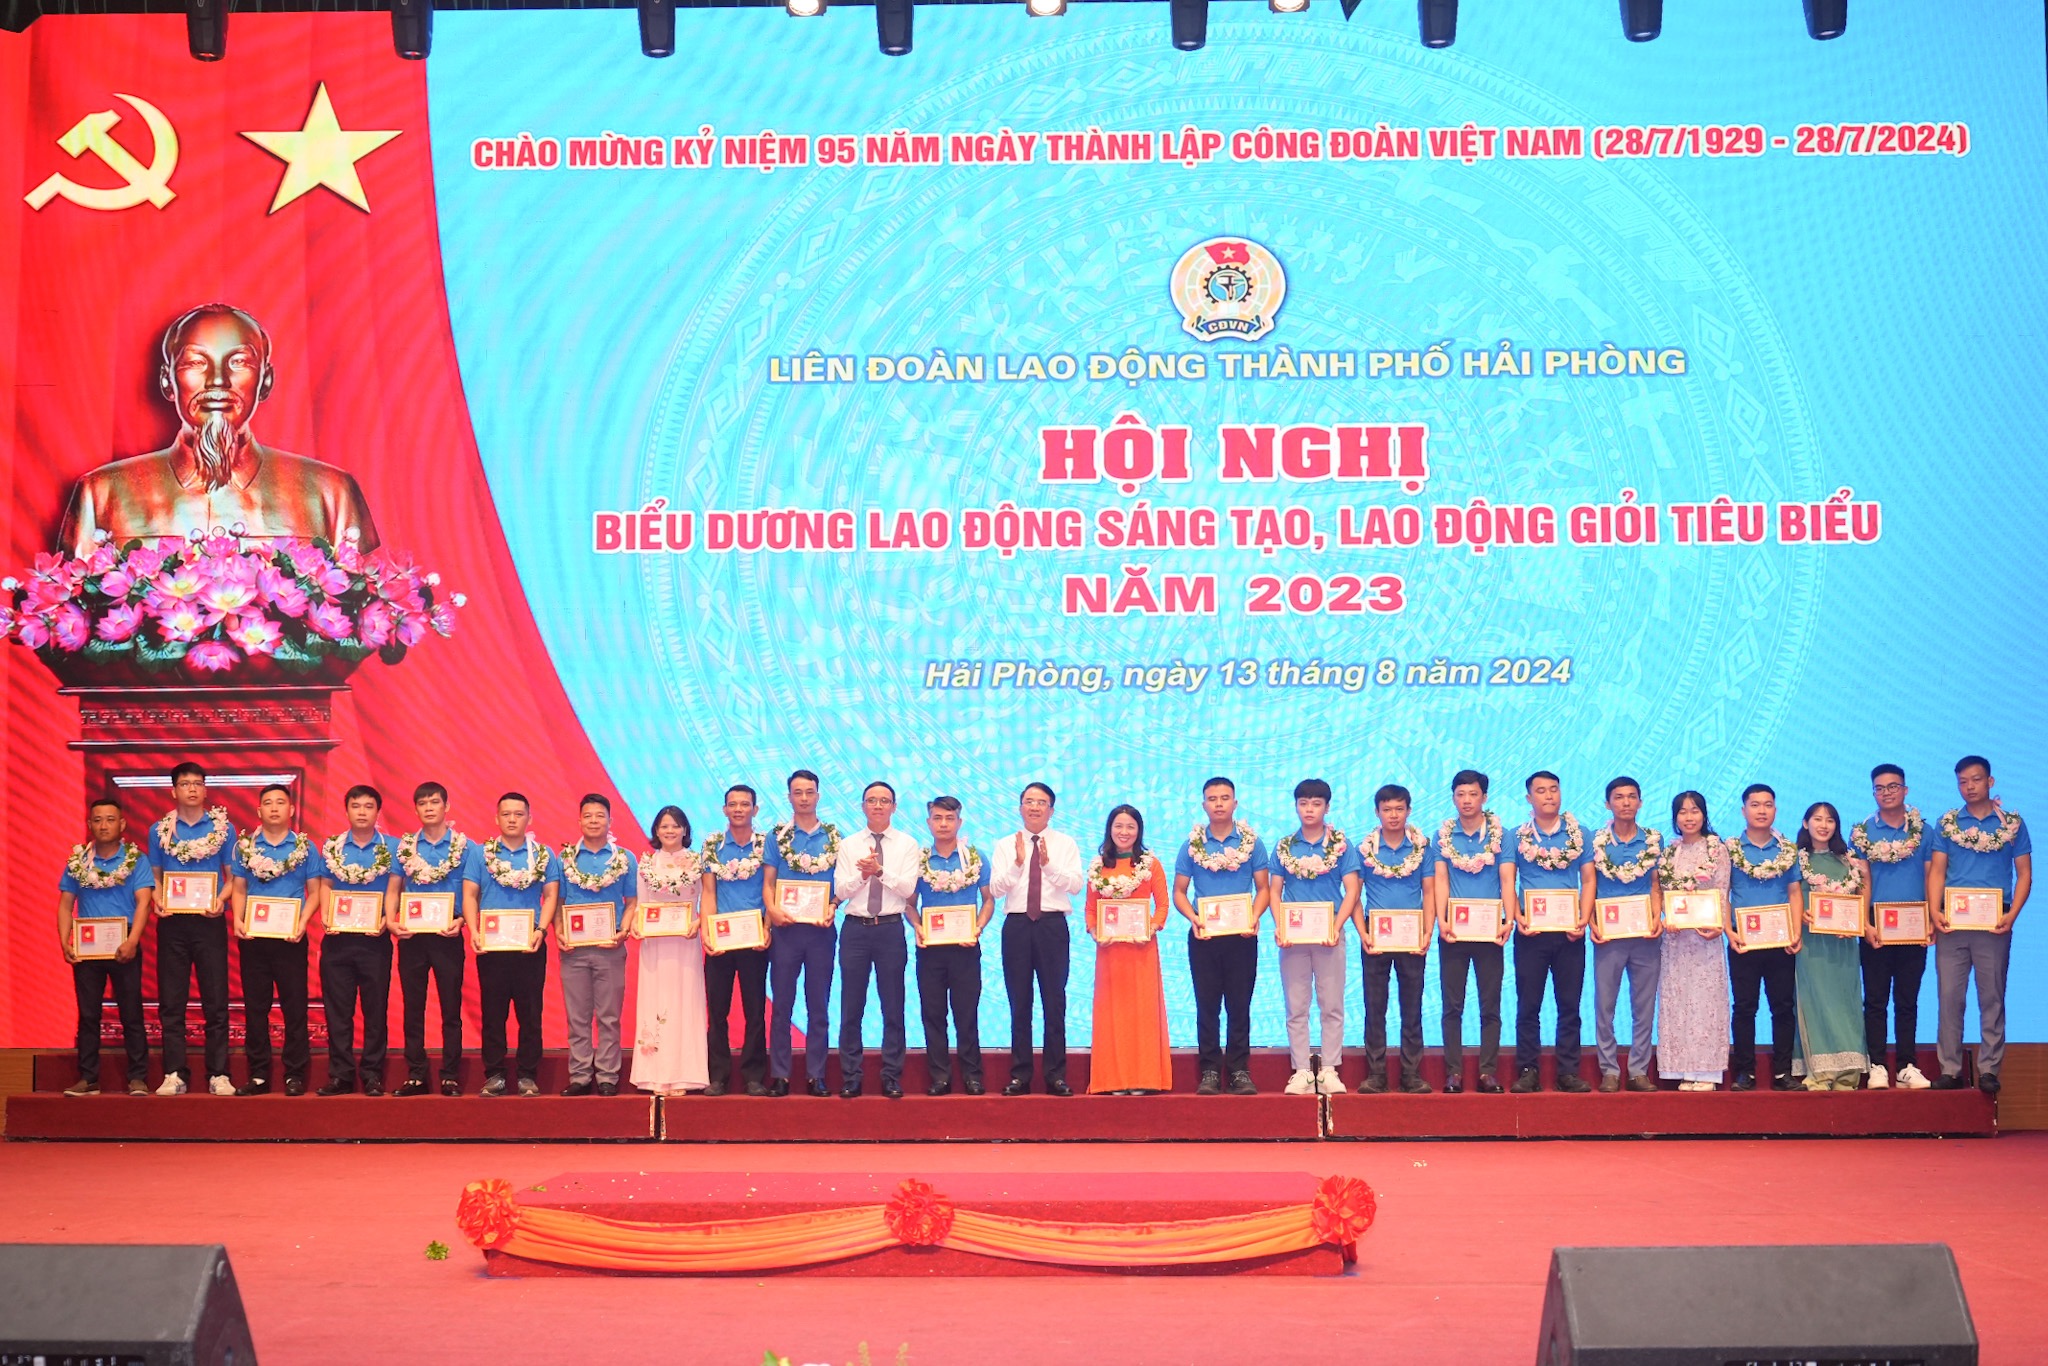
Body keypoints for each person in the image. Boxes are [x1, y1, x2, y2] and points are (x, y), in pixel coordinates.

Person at [58, 303, 377, 557]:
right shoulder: (101, 495)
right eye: (195, 363)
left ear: (266, 381)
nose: (218, 381)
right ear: (167, 381)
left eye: (239, 362)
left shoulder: (331, 495)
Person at [1926, 755, 2032, 1094]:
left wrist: (2013, 915)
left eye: (1975, 779)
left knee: (1992, 997)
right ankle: (1951, 1070)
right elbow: (1937, 870)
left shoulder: (2012, 824)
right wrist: (1934, 910)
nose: (1969, 787)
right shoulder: (1947, 823)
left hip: (1995, 922)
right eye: (1963, 782)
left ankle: (1988, 1070)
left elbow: (2024, 874)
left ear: (1990, 781)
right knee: (1949, 998)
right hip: (1952, 922)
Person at [1172, 777, 1268, 1096]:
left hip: (1242, 936)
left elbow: (1263, 888)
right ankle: (1210, 1071)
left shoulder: (1252, 843)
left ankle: (1239, 1070)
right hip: (1204, 936)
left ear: (1235, 803)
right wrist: (1194, 918)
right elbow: (1179, 891)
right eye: (1212, 799)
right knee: (1207, 1005)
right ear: (1204, 805)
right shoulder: (1192, 845)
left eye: (1225, 798)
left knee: (1240, 1005)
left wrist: (1254, 917)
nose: (1218, 804)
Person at [228, 783, 326, 1097]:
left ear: (291, 809)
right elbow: (239, 888)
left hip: (290, 938)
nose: (274, 808)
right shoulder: (245, 847)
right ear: (259, 810)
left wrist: (302, 922)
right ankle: (258, 1075)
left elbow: (315, 891)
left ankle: (294, 1074)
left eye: (280, 802)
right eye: (268, 803)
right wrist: (238, 919)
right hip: (254, 937)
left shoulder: (306, 848)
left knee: (294, 1008)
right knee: (255, 1008)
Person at [989, 782, 1084, 1096]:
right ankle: (1020, 1075)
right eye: (1029, 801)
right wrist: (1018, 864)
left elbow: (1075, 885)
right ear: (1020, 808)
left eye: (1041, 802)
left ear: (1051, 810)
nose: (1034, 807)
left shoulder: (1065, 844)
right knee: (1020, 1002)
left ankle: (1056, 1075)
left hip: (1052, 926)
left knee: (1054, 1001)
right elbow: (996, 889)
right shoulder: (1005, 845)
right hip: (1017, 926)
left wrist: (1048, 864)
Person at [148, 762, 236, 1096]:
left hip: (210, 921)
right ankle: (174, 1073)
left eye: (198, 783)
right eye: (185, 784)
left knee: (216, 1000)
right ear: (174, 791)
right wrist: (158, 899)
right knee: (172, 1001)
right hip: (173, 923)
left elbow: (233, 878)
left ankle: (219, 1074)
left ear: (205, 789)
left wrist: (221, 900)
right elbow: (155, 876)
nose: (192, 789)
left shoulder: (223, 829)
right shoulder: (160, 830)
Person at [57, 798, 155, 1096]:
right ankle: (88, 1078)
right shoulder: (78, 862)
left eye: (110, 819)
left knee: (131, 1013)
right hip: (87, 947)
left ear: (122, 824)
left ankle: (138, 1077)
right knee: (88, 1015)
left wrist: (133, 940)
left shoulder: (136, 859)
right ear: (90, 825)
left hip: (124, 942)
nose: (104, 825)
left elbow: (144, 902)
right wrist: (64, 941)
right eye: (98, 820)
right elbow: (65, 905)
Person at [1269, 778, 1360, 1097]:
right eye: (1303, 803)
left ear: (1327, 807)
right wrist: (1281, 925)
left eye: (1316, 803)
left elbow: (1352, 889)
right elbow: (1274, 891)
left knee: (1331, 1004)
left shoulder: (1341, 845)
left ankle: (1330, 1069)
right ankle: (1301, 1071)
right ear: (1296, 806)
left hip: (1330, 936)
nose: (1309, 809)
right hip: (1293, 938)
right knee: (1296, 1006)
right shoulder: (1284, 846)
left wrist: (1337, 925)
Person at [465, 793, 558, 1097]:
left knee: (530, 1014)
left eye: (519, 814)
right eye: (506, 814)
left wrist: (541, 930)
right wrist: (474, 930)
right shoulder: (480, 854)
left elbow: (551, 896)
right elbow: (470, 894)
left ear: (529, 818)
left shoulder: (543, 854)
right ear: (497, 818)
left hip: (529, 944)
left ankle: (528, 1075)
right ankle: (494, 1074)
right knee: (493, 1013)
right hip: (492, 948)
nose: (512, 819)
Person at [832, 781, 920, 1099]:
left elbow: (908, 889)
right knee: (851, 1005)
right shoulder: (849, 845)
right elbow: (841, 890)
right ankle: (851, 1076)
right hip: (855, 929)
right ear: (863, 806)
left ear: (894, 807)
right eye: (872, 800)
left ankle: (891, 1075)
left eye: (884, 801)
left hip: (890, 929)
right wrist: (863, 874)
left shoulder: (908, 844)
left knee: (893, 1005)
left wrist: (880, 871)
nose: (878, 806)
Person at [1508, 771, 1592, 1093]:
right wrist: (1517, 915)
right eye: (1541, 791)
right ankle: (1528, 1070)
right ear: (1529, 798)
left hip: (1570, 933)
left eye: (1553, 789)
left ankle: (1568, 1072)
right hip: (1531, 933)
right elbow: (1508, 880)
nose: (1548, 796)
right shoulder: (1516, 837)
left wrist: (1583, 918)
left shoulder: (1580, 834)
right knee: (1528, 1005)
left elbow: (1589, 879)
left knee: (1569, 1005)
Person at [1433, 770, 1514, 1093]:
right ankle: (1453, 1072)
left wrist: (1509, 918)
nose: (1467, 800)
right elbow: (1441, 880)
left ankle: (1487, 1072)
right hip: (1453, 931)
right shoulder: (1443, 836)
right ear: (1454, 798)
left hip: (1490, 931)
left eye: (1473, 794)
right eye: (1461, 794)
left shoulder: (1501, 835)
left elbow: (1507, 879)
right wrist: (1441, 919)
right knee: (1452, 1005)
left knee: (1490, 1005)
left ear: (1484, 797)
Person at [1852, 765, 1932, 1089]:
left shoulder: (1924, 832)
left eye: (1893, 786)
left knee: (1907, 1000)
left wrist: (1931, 919)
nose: (1886, 792)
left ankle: (1907, 1065)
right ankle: (1877, 1065)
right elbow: (1862, 881)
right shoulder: (1862, 833)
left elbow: (1931, 876)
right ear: (1874, 792)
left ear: (1905, 790)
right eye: (1880, 788)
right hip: (1877, 925)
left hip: (1914, 923)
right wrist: (1864, 922)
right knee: (1875, 1000)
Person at [1084, 805, 1172, 1094]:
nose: (1124, 832)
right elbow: (1090, 910)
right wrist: (1095, 932)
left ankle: (1143, 1078)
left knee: (1142, 1014)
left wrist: (1152, 927)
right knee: (1114, 1016)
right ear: (1110, 829)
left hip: (1141, 950)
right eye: (1119, 826)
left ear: (1139, 831)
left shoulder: (1150, 864)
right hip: (1110, 953)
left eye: (1130, 826)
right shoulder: (1098, 866)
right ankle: (1114, 1079)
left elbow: (1163, 905)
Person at [317, 785, 398, 1096]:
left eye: (368, 806)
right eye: (356, 806)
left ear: (378, 811)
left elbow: (396, 888)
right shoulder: (333, 847)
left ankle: (373, 1074)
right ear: (346, 810)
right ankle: (341, 1075)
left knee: (375, 1011)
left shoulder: (393, 848)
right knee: (338, 1012)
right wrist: (327, 915)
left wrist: (387, 919)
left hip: (374, 940)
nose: (362, 812)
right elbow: (326, 884)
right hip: (338, 940)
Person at [1584, 776, 1664, 1092]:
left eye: (1632, 796)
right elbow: (1588, 884)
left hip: (1645, 937)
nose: (1626, 802)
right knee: (1605, 1006)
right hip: (1609, 936)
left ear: (1640, 802)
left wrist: (1656, 917)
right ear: (1608, 804)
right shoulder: (1596, 842)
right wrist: (1591, 921)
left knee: (1643, 1007)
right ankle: (1609, 1070)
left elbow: (1656, 884)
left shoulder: (1653, 840)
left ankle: (1638, 1070)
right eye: (1619, 797)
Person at [1358, 784, 1437, 1095]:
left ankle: (1411, 1074)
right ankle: (1376, 1074)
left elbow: (1429, 891)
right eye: (1387, 809)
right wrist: (1363, 932)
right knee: (1374, 1006)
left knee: (1412, 1006)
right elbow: (1354, 894)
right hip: (1375, 935)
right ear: (1377, 812)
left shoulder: (1422, 849)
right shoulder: (1365, 850)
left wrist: (1427, 930)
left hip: (1411, 933)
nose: (1393, 815)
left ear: (1409, 811)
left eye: (1399, 809)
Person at [765, 769, 839, 1098]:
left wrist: (833, 905)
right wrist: (773, 911)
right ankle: (780, 1075)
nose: (804, 798)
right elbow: (768, 883)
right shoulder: (777, 836)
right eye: (798, 793)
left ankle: (816, 1075)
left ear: (818, 796)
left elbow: (842, 886)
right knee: (782, 1005)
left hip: (821, 932)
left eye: (810, 792)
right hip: (786, 932)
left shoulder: (834, 838)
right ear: (789, 797)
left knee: (818, 1006)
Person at [393, 782, 471, 1096]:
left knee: (451, 1008)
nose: (429, 808)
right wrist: (392, 921)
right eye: (423, 803)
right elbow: (394, 887)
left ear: (446, 806)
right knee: (413, 1007)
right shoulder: (405, 847)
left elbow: (473, 892)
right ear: (416, 809)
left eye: (434, 802)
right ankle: (416, 1074)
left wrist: (462, 920)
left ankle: (450, 1074)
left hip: (447, 934)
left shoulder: (465, 847)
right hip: (412, 936)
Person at [913, 796, 993, 1096]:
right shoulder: (920, 861)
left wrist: (978, 927)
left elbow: (989, 900)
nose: (943, 824)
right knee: (933, 1014)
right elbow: (909, 904)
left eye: (949, 818)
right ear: (928, 822)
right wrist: (917, 926)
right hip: (930, 949)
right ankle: (940, 1077)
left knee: (966, 1013)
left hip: (965, 946)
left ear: (959, 822)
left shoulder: (975, 858)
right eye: (937, 818)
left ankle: (973, 1076)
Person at [557, 794, 636, 1096]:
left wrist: (624, 930)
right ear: (579, 820)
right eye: (588, 816)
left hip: (610, 948)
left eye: (599, 816)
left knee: (609, 1016)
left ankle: (607, 1076)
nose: (593, 821)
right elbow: (557, 901)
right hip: (574, 951)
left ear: (610, 821)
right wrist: (560, 932)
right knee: (577, 1017)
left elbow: (633, 901)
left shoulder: (624, 859)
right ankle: (579, 1076)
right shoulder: (565, 859)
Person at [1726, 783, 1803, 1092]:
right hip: (1743, 942)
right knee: (1745, 1007)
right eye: (1755, 805)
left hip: (1780, 941)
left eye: (1767, 805)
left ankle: (1783, 1072)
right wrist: (1729, 930)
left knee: (1782, 1007)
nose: (1761, 810)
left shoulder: (1787, 850)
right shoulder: (1729, 850)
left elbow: (1794, 892)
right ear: (1743, 810)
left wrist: (1796, 932)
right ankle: (1745, 1072)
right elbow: (1722, 893)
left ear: (1775, 810)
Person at [629, 805, 709, 1096]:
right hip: (655, 943)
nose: (670, 831)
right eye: (664, 826)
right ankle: (655, 1076)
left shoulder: (697, 862)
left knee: (684, 1002)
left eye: (675, 826)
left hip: (685, 942)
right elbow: (640, 903)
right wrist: (636, 924)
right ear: (656, 831)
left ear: (685, 829)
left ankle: (684, 1075)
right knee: (656, 1002)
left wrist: (699, 921)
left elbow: (706, 899)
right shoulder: (647, 863)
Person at [701, 785, 775, 1097]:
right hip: (721, 939)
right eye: (733, 804)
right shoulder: (713, 845)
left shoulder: (767, 844)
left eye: (745, 804)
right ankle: (717, 1076)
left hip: (754, 938)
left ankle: (754, 1076)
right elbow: (708, 892)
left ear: (755, 810)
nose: (738, 809)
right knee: (717, 1011)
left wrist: (768, 928)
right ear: (724, 809)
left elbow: (772, 888)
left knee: (755, 1010)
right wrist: (706, 932)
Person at [1655, 792, 1731, 1090]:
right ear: (1675, 817)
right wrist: (1666, 917)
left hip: (1705, 939)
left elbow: (1722, 891)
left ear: (1704, 814)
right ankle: (1682, 1069)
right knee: (1678, 1002)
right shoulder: (1668, 854)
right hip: (1676, 942)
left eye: (1695, 810)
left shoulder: (1716, 850)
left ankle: (1707, 1072)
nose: (1689, 817)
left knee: (1706, 1002)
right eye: (1683, 812)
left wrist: (1719, 925)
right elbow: (1663, 894)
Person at [1793, 802, 1870, 1089]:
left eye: (1830, 820)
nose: (1823, 825)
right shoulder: (1795, 860)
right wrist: (1799, 915)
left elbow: (1861, 896)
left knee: (1846, 1003)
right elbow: (1789, 896)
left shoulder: (1849, 861)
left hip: (1843, 945)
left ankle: (1848, 1073)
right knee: (1815, 1002)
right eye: (1817, 819)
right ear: (1806, 823)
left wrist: (1856, 922)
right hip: (1811, 946)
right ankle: (1820, 1072)